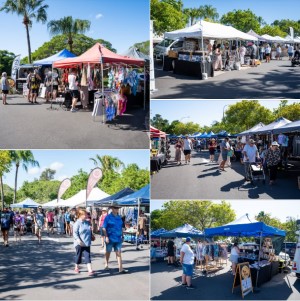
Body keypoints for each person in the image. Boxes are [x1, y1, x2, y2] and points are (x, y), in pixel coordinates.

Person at [102, 205, 128, 273]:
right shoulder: (108, 217)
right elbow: (104, 228)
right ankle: (106, 264)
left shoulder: (119, 217)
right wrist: (106, 236)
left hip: (118, 238)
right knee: (108, 252)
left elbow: (121, 228)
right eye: (115, 208)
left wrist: (122, 236)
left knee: (119, 253)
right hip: (110, 238)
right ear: (112, 209)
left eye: (118, 208)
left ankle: (120, 268)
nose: (117, 209)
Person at [73, 208, 95, 276]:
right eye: (84, 214)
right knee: (78, 256)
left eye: (86, 214)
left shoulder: (87, 222)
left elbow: (89, 231)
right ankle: (76, 266)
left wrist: (92, 234)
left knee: (87, 256)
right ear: (80, 215)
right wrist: (78, 240)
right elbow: (75, 233)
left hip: (86, 242)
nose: (86, 215)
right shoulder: (77, 223)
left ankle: (90, 270)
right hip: (79, 243)